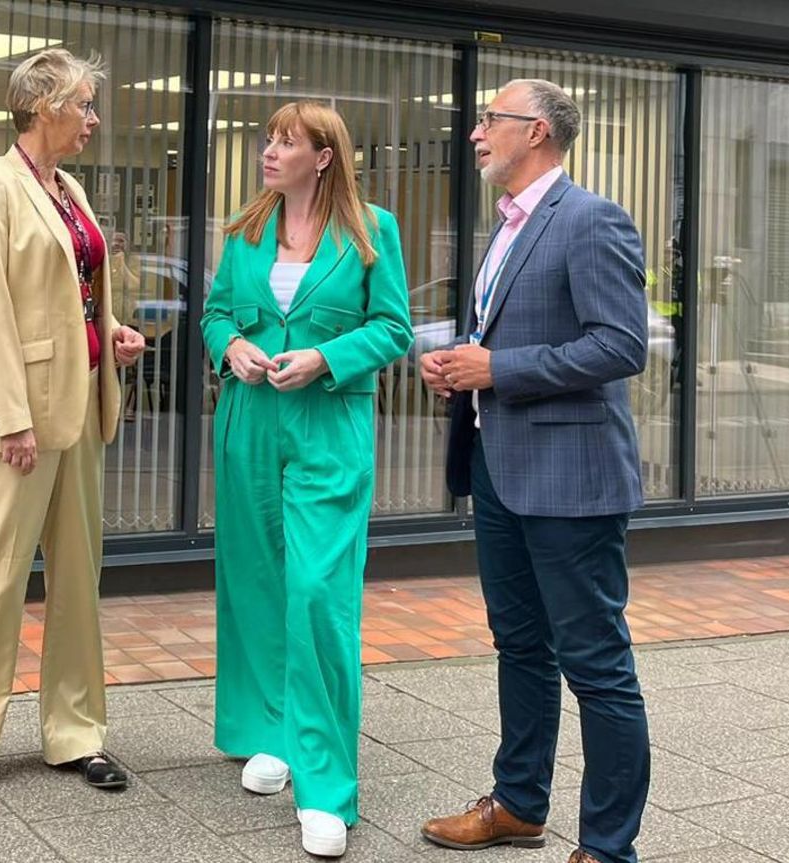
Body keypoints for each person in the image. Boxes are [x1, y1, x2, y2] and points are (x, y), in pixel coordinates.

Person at [417, 79, 650, 863]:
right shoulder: (509, 226)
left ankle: (609, 847)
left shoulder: (590, 220)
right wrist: (462, 367)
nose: (477, 133)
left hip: (572, 480)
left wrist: (498, 367)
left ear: (538, 132)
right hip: (501, 471)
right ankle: (518, 803)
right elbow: (508, 346)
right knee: (519, 644)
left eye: (491, 120)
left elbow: (621, 346)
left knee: (595, 663)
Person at [0, 48, 147, 814]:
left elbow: (73, 291)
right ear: (42, 106)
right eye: (83, 104)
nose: (93, 118)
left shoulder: (68, 187)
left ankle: (75, 731)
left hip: (79, 402)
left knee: (79, 578)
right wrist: (10, 417)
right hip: (19, 416)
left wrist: (111, 331)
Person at [201, 100, 412, 858]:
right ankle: (273, 732)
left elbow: (394, 328)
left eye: (286, 142)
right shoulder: (247, 228)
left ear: (324, 157)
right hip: (251, 419)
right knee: (257, 580)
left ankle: (327, 786)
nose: (269, 151)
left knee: (319, 592)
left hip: (328, 422)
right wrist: (233, 348)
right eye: (268, 139)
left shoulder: (370, 229)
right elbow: (216, 313)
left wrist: (326, 358)